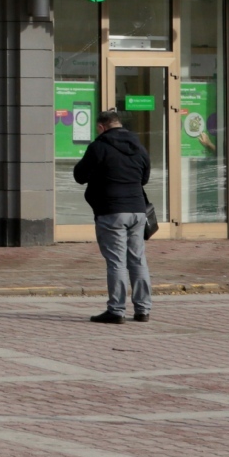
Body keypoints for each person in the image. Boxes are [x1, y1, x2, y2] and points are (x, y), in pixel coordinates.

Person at [74, 108, 153, 324]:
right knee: (138, 260)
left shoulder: (99, 147)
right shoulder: (138, 146)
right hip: (137, 210)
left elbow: (79, 175)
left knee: (117, 261)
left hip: (111, 211)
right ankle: (143, 309)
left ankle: (117, 310)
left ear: (101, 126)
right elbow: (144, 177)